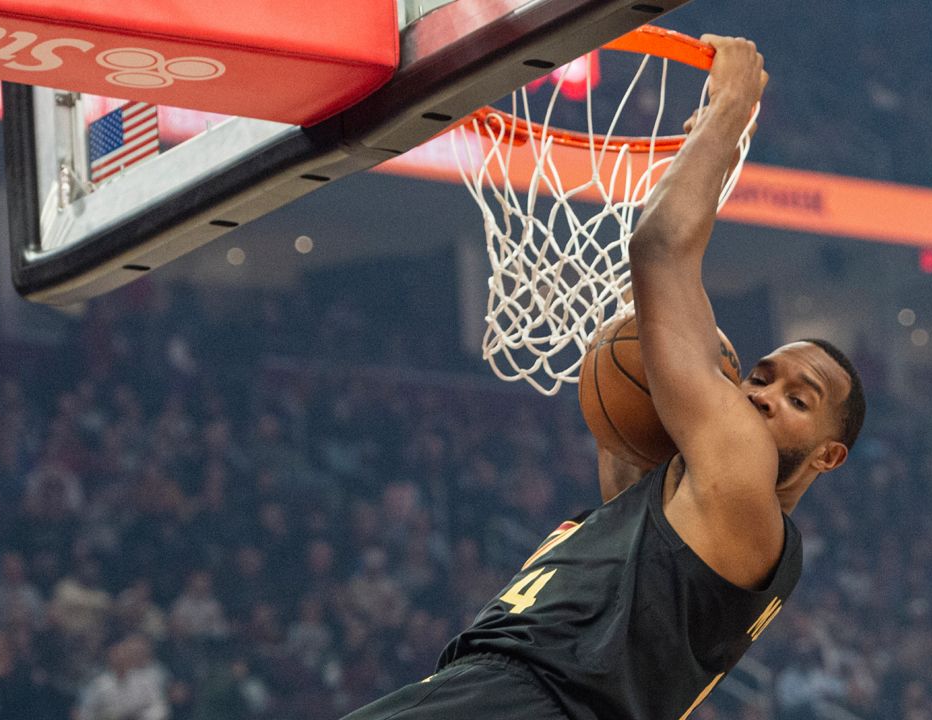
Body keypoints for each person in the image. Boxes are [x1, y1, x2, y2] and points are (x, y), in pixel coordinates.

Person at [339, 35, 866, 720]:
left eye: (798, 399)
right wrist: (705, 155)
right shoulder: (673, 504)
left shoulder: (741, 483)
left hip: (527, 701)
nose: (761, 395)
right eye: (760, 378)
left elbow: (658, 251)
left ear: (829, 454)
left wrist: (731, 108)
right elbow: (634, 389)